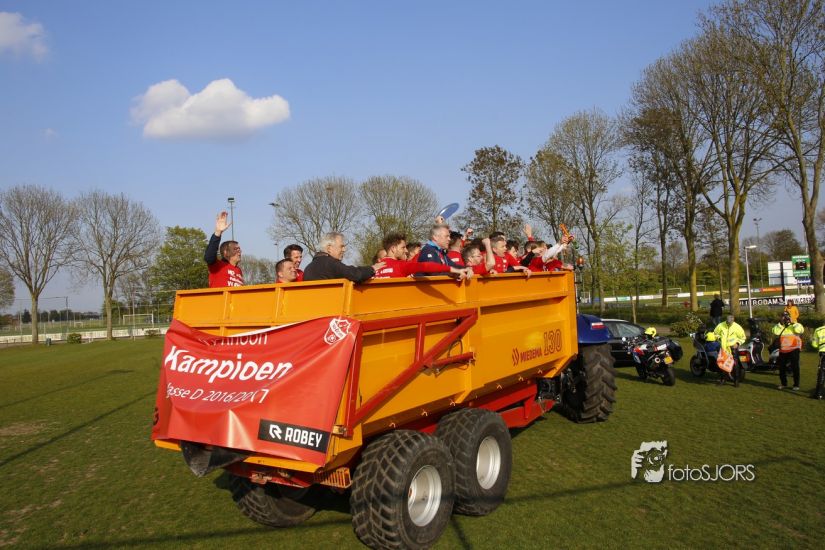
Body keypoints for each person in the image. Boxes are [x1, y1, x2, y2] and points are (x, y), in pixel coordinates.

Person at [373, 233, 471, 280]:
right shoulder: (401, 265)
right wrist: (454, 270)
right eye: (403, 247)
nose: (406, 251)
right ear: (393, 249)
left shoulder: (373, 269)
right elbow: (427, 266)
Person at [303, 232, 384, 283]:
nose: (344, 250)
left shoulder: (308, 269)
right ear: (329, 248)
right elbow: (355, 275)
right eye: (341, 246)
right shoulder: (330, 263)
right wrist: (372, 269)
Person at [204, 211, 244, 287]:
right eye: (235, 249)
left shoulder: (239, 270)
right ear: (226, 253)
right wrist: (218, 232)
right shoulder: (218, 266)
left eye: (239, 249)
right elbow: (208, 257)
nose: (240, 251)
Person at [772, 311, 804, 390]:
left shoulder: (796, 325)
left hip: (794, 348)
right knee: (782, 368)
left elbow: (799, 330)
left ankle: (796, 385)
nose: (785, 318)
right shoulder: (780, 326)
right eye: (783, 316)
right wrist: (780, 323)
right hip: (783, 349)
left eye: (786, 316)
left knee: (795, 367)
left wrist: (793, 322)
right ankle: (783, 384)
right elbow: (775, 332)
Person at [714, 314, 746, 387]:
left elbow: (743, 337)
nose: (729, 323)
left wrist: (737, 343)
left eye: (731, 322)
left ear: (733, 320)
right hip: (724, 349)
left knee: (735, 365)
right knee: (723, 364)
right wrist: (719, 338)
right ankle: (723, 380)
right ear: (726, 320)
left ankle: (736, 381)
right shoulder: (720, 325)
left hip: (733, 349)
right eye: (728, 322)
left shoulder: (737, 327)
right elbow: (715, 333)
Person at [810, 324, 825, 399]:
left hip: (824, 353)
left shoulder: (818, 330)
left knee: (822, 373)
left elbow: (814, 344)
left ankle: (818, 394)